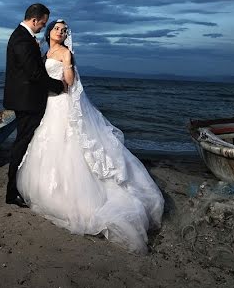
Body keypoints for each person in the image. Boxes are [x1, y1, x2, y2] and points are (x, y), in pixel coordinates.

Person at [16, 19, 164, 254]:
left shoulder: (65, 53)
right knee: (49, 142)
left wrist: (67, 65)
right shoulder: (45, 52)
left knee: (68, 142)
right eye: (57, 28)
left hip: (63, 103)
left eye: (64, 30)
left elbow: (70, 83)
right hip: (50, 103)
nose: (60, 32)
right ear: (50, 31)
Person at [3, 3, 66, 207]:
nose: (42, 28)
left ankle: (19, 187)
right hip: (27, 101)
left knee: (25, 142)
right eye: (43, 23)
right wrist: (58, 86)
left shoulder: (24, 38)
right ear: (34, 20)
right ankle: (12, 193)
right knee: (22, 144)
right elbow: (34, 74)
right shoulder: (22, 39)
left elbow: (31, 67)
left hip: (26, 99)